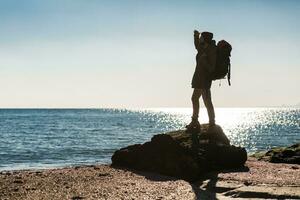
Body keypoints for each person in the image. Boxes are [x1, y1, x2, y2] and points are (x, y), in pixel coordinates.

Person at [186, 30, 217, 131]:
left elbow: (211, 68)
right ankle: (195, 121)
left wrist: (204, 61)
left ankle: (212, 123)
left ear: (205, 39)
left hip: (205, 80)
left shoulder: (211, 51)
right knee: (194, 98)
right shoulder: (202, 48)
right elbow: (196, 45)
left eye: (201, 37)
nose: (200, 39)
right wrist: (195, 36)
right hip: (198, 78)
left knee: (207, 101)